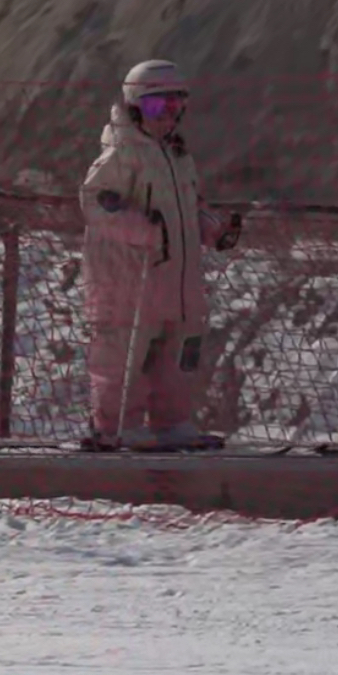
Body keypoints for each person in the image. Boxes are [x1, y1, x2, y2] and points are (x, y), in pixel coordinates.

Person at [80, 60, 243, 449]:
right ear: (135, 107)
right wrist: (141, 227)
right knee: (124, 354)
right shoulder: (122, 154)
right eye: (157, 106)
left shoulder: (176, 155)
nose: (167, 115)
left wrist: (214, 229)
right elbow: (96, 202)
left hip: (176, 278)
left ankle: (172, 422)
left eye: (175, 105)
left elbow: (189, 205)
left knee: (177, 352)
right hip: (130, 278)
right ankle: (117, 425)